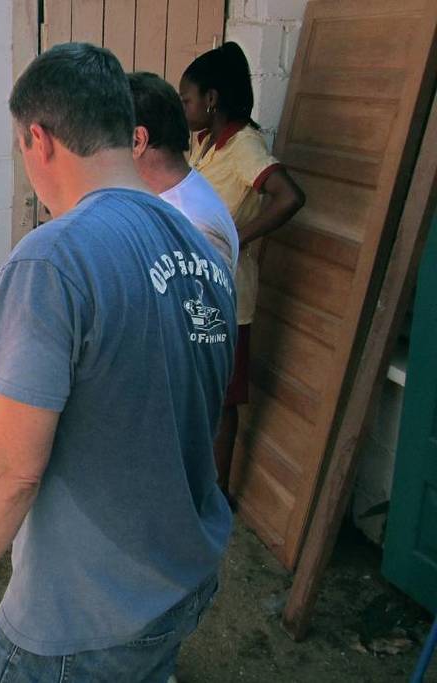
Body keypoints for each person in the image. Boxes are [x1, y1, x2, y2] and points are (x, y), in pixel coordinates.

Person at [0, 43, 236, 682]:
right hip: (178, 583)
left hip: (77, 619)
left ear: (39, 139)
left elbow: (11, 472)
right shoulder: (204, 252)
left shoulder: (54, 260)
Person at [179, 42, 305, 495]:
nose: (184, 108)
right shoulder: (204, 142)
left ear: (211, 99)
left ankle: (218, 494)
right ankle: (194, 483)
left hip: (226, 295)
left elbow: (289, 196)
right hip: (193, 288)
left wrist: (239, 236)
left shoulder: (245, 145)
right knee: (195, 389)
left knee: (222, 398)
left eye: (187, 99)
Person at [129, 71, 239, 274]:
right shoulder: (169, 198)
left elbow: (206, 304)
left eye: (109, 139)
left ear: (138, 140)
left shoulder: (190, 223)